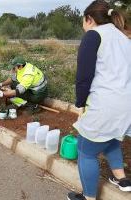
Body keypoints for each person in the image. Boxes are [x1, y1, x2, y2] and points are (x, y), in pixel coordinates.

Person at [67, 1, 131, 200]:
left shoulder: (94, 35)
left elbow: (84, 76)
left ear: (89, 19)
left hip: (106, 103)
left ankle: (88, 197)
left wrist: (80, 103)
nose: (83, 26)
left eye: (83, 22)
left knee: (85, 150)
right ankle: (122, 179)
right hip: (126, 103)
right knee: (111, 138)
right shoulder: (123, 37)